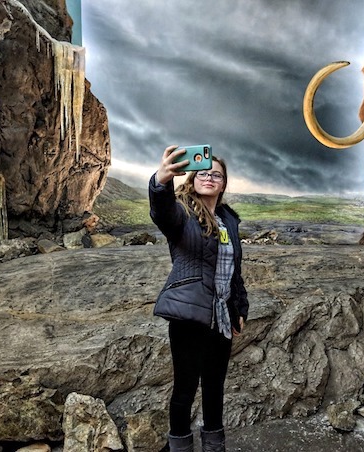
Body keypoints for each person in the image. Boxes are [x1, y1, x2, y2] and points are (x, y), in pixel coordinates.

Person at [149, 145, 249, 452]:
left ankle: (214, 446)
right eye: (204, 172)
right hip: (190, 317)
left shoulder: (228, 221)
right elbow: (161, 211)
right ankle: (180, 447)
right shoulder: (182, 213)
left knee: (214, 387)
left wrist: (240, 307)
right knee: (185, 388)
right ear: (192, 179)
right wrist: (161, 180)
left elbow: (234, 269)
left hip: (221, 317)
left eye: (216, 174)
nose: (210, 177)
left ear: (223, 183)